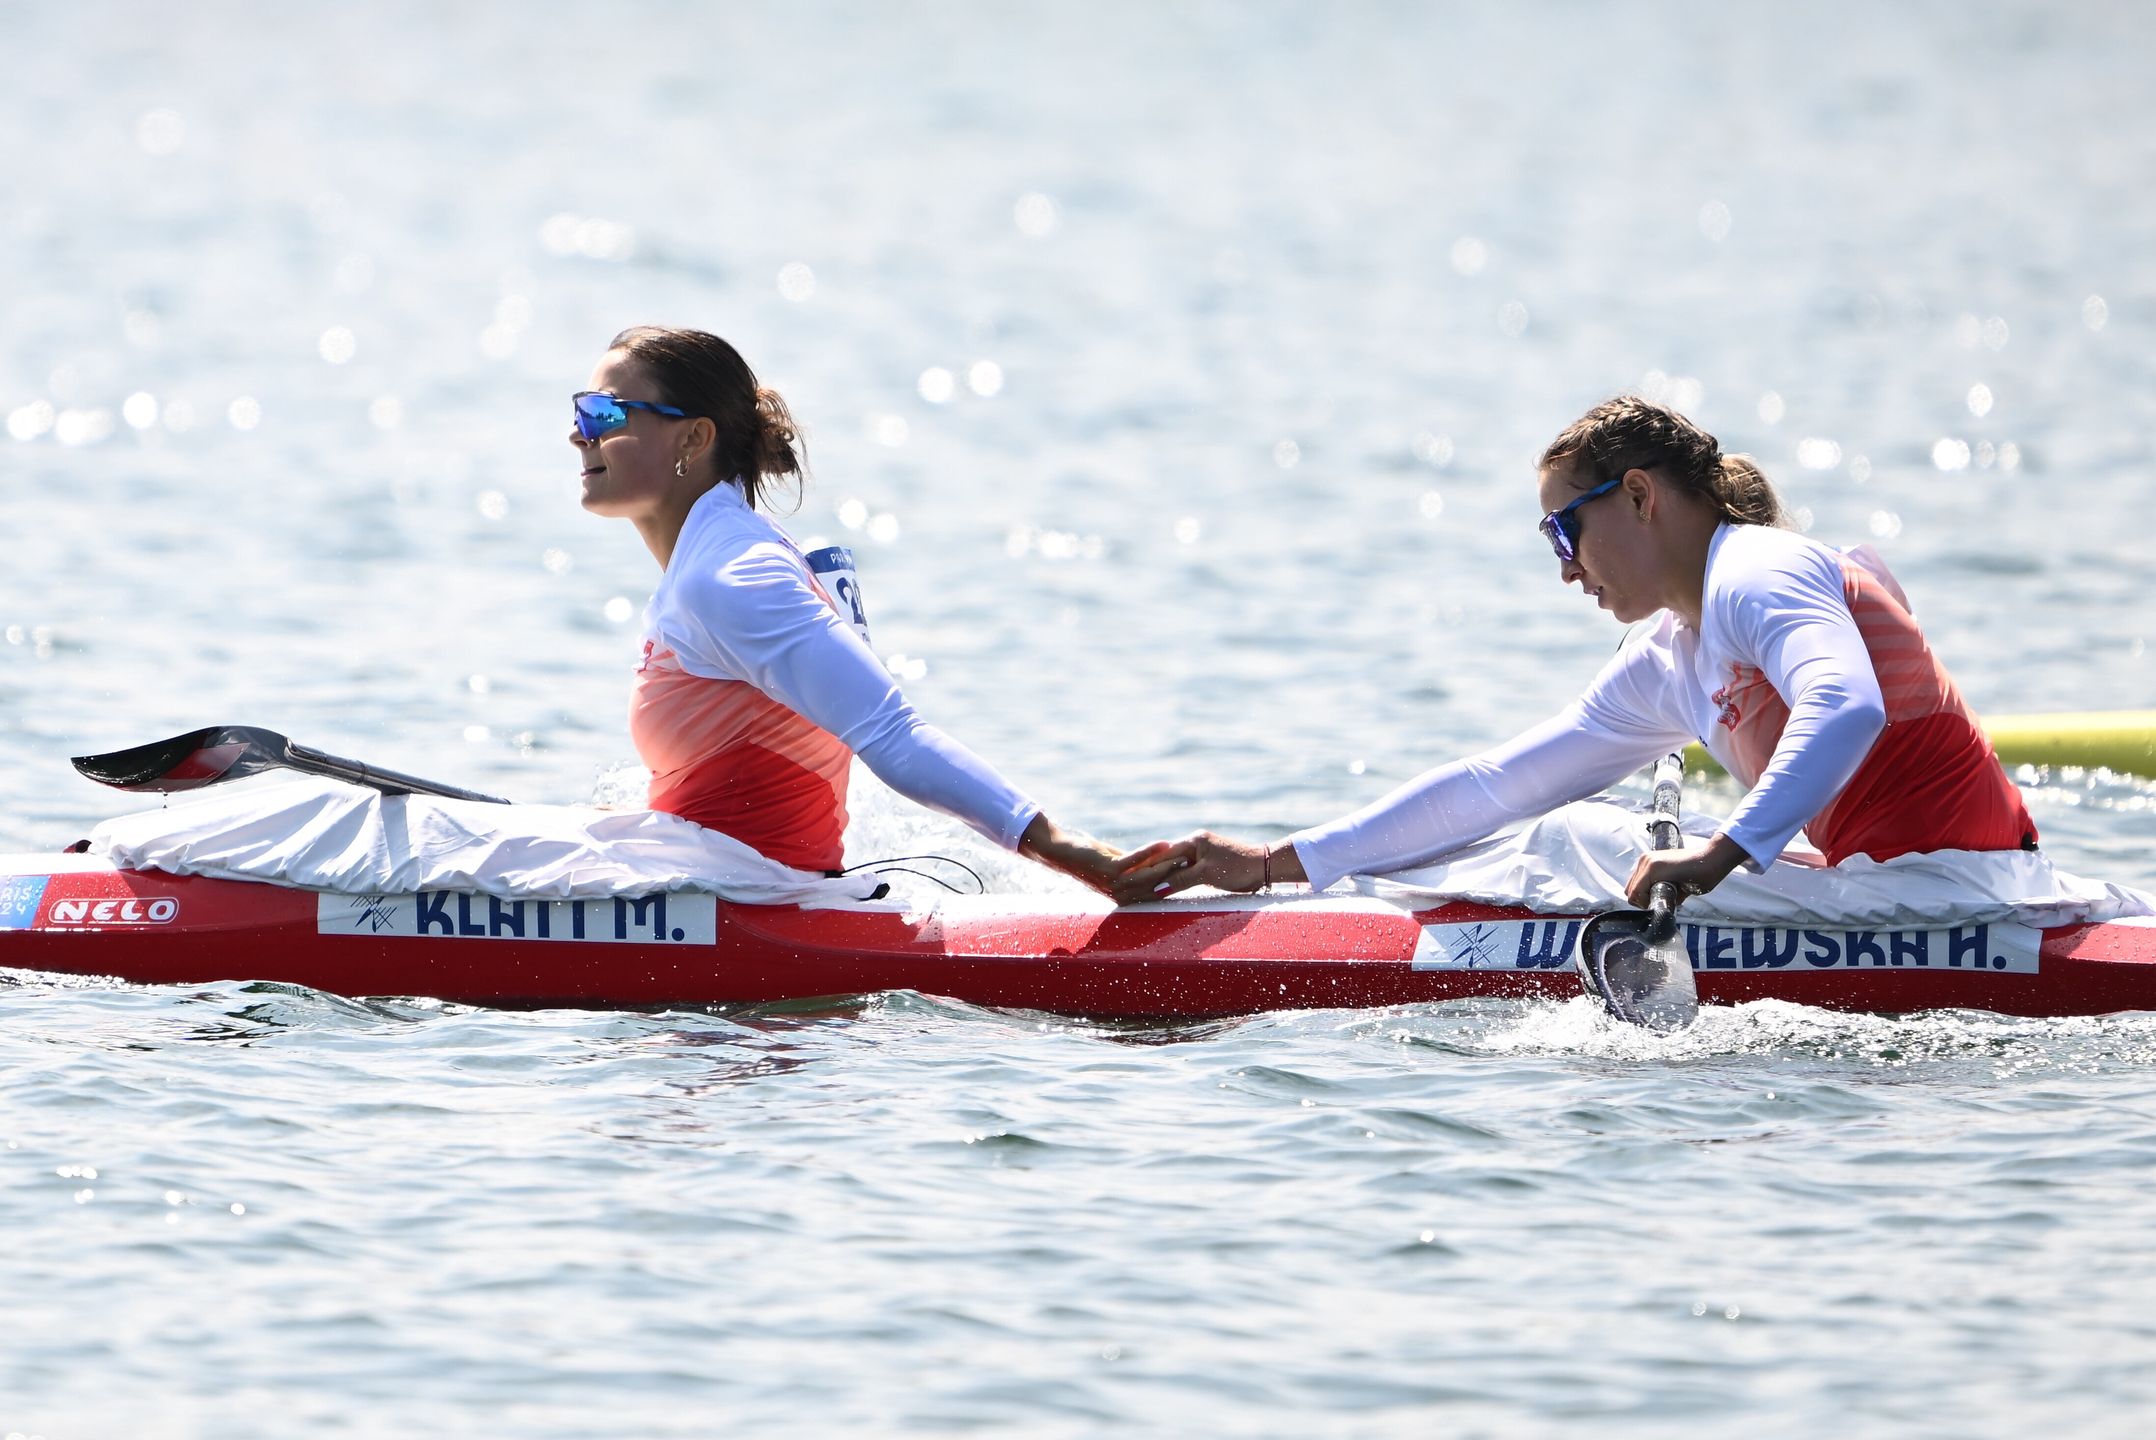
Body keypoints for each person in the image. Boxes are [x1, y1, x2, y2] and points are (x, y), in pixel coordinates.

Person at [1115, 396, 2036, 906]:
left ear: (1639, 496)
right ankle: (1337, 902)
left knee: (1575, 842)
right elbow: (1495, 784)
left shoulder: (1756, 569)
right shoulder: (1673, 656)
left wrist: (1717, 855)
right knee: (1549, 826)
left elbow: (1848, 706)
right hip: (1893, 896)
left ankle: (1398, 933)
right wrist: (1279, 862)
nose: (1566, 571)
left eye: (1565, 533)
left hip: (1965, 898)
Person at [572, 324, 1122, 891]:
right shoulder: (724, 551)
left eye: (604, 415)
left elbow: (892, 731)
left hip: (755, 902)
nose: (578, 434)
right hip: (733, 879)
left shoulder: (729, 578)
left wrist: (1078, 856)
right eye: (581, 412)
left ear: (693, 438)